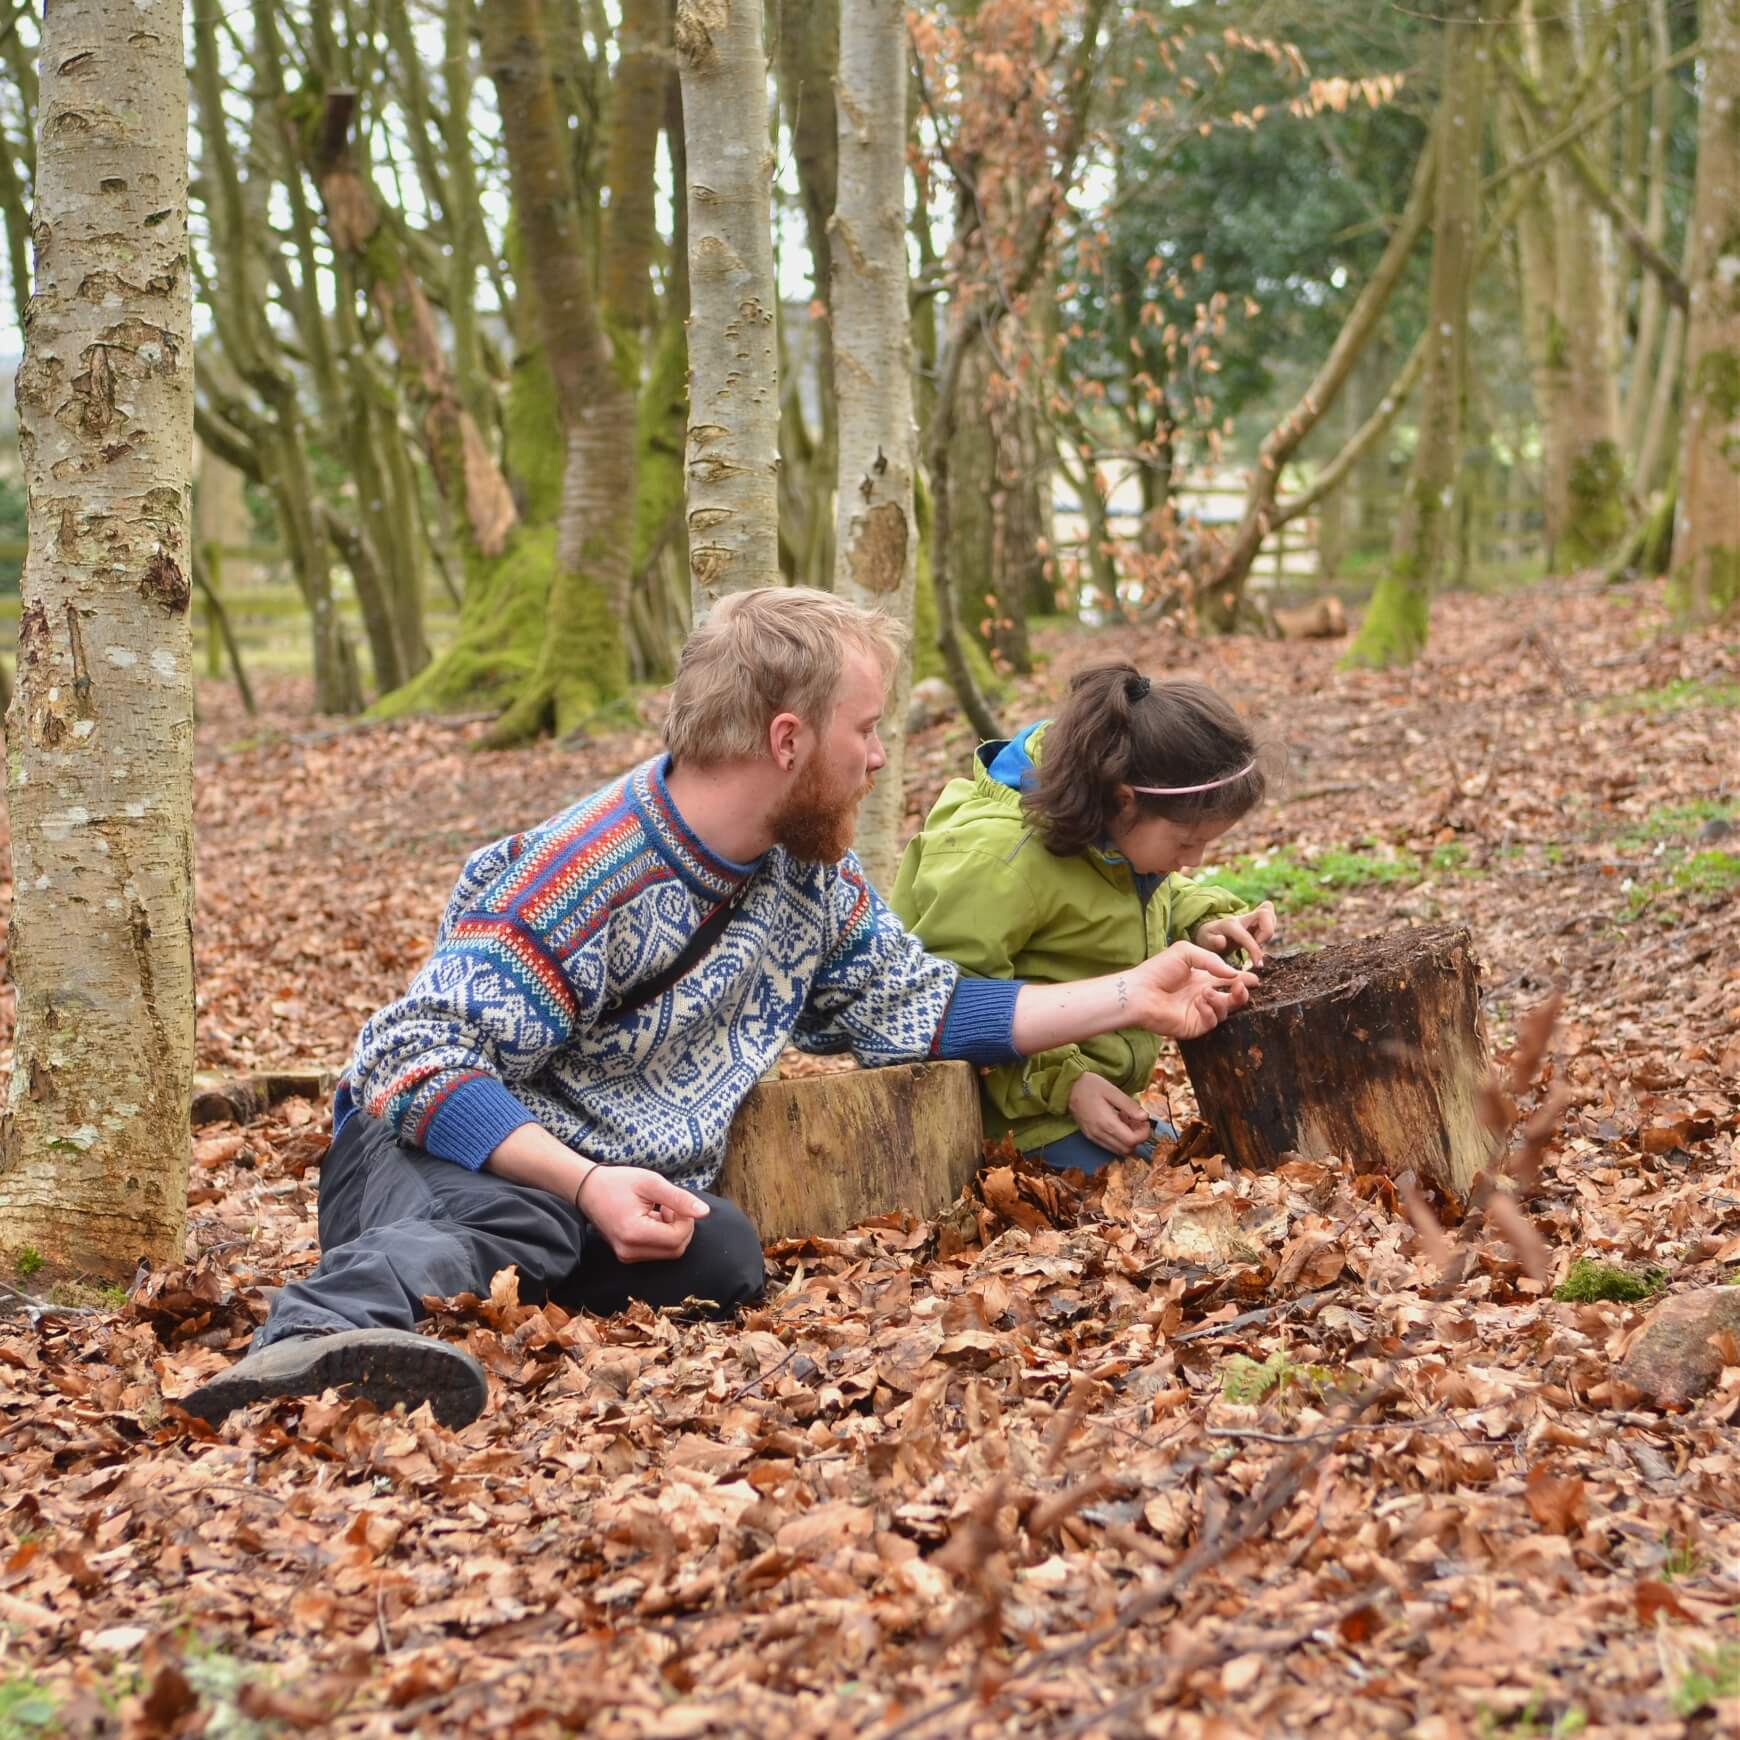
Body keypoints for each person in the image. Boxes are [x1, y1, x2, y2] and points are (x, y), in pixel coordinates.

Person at [184, 594, 1256, 1430]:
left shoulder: (809, 881)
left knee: (723, 1259)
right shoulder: (585, 872)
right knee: (516, 1218)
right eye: (867, 730)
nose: (881, 759)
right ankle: (309, 1342)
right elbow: (412, 1061)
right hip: (436, 1143)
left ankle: (482, 1305)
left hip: (599, 1171)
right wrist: (589, 1182)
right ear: (788, 739)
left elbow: (918, 1007)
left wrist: (1133, 995)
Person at [892, 664, 1277, 1175]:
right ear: (1124, 802)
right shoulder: (999, 861)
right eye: (1187, 842)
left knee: (1209, 1170)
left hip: (1077, 1102)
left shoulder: (1105, 828)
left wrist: (1199, 918)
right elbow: (940, 1012)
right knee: (1174, 1197)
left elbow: (1125, 887)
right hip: (1008, 1126)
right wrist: (1067, 1084)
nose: (1196, 859)